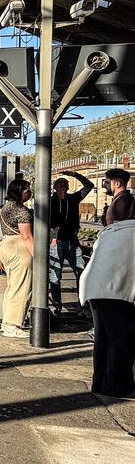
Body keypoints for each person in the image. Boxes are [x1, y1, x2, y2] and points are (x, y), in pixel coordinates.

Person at [80, 217, 135, 397]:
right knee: (122, 338)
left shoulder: (114, 230)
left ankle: (100, 384)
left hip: (93, 286)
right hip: (114, 290)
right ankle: (116, 386)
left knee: (103, 338)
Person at [48, 170, 95, 318]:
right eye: (59, 184)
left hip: (72, 242)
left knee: (82, 273)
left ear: (68, 187)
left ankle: (84, 304)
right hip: (56, 243)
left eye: (65, 184)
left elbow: (89, 185)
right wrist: (52, 237)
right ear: (55, 187)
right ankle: (57, 306)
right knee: (55, 276)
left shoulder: (73, 199)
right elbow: (44, 221)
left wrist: (75, 175)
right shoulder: (50, 201)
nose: (62, 186)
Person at [0, 178, 34, 339]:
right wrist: (38, 256)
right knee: (22, 288)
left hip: (7, 246)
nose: (30, 193)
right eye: (27, 190)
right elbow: (26, 236)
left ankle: (7, 323)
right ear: (19, 191)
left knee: (12, 287)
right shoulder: (21, 211)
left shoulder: (6, 208)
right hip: (19, 248)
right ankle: (13, 325)